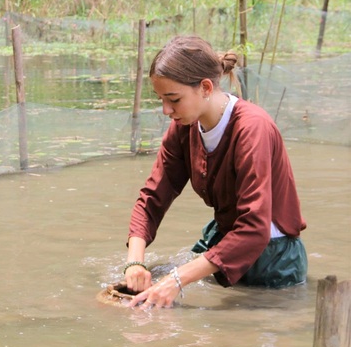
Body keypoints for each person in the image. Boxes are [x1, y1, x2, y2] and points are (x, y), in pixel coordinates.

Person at [123, 35, 307, 308]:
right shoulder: (184, 127)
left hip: (274, 261)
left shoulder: (252, 129)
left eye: (173, 99)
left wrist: (177, 279)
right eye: (161, 99)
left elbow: (255, 229)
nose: (165, 110)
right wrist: (135, 264)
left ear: (206, 87)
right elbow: (153, 198)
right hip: (224, 245)